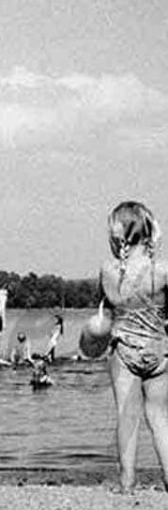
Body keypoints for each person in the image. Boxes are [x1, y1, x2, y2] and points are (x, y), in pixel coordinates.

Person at [85, 200, 168, 493]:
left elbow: (104, 318)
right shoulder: (162, 270)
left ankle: (127, 482)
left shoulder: (108, 270)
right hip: (160, 351)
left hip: (123, 351)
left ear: (118, 237)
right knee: (160, 419)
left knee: (127, 416)